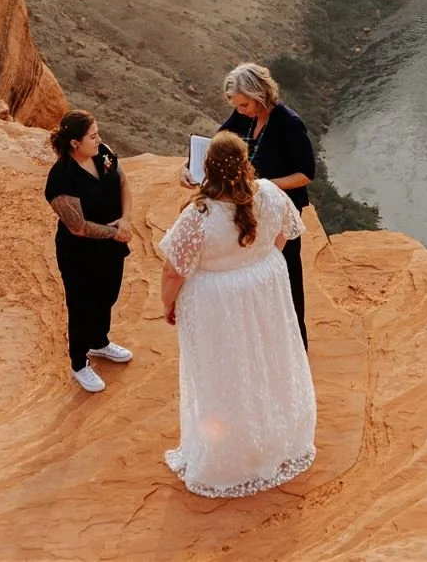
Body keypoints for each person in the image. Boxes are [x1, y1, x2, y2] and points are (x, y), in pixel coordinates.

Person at [159, 132, 316, 497]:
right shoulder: (271, 193)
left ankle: (228, 457)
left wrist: (168, 304)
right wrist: (258, 262)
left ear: (207, 169)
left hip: (217, 301)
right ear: (246, 164)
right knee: (267, 362)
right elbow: (284, 234)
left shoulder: (199, 215)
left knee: (223, 372)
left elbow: (173, 270)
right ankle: (274, 440)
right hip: (264, 289)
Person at [205, 62, 316, 348]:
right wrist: (191, 165)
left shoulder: (288, 123)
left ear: (259, 95)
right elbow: (218, 144)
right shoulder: (244, 117)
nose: (240, 110)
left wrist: (263, 186)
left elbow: (305, 174)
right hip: (249, 210)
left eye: (244, 104)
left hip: (281, 211)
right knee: (255, 273)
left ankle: (296, 343)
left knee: (287, 272)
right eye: (237, 105)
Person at [44, 110, 134, 393]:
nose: (99, 140)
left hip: (112, 245)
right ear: (74, 143)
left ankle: (99, 342)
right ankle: (79, 363)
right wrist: (115, 232)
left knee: (108, 293)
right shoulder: (61, 178)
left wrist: (127, 220)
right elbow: (78, 226)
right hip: (79, 254)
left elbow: (123, 182)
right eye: (92, 136)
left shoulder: (102, 154)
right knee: (81, 305)